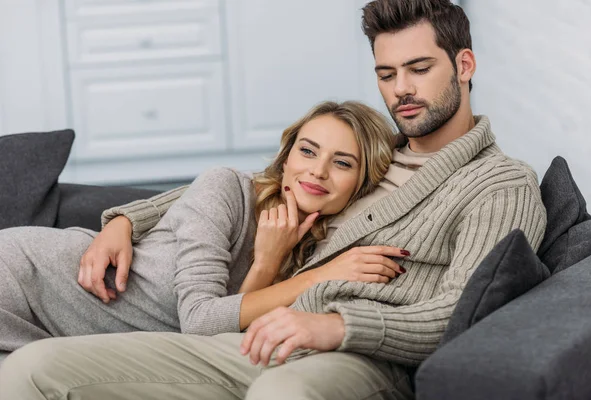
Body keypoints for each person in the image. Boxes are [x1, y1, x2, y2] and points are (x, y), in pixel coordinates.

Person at [0, 0, 548, 399]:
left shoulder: (500, 184)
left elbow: (462, 309)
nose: (401, 88)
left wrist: (335, 326)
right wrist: (124, 217)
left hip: (357, 352)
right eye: (386, 73)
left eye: (419, 69)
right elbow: (252, 184)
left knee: (282, 397)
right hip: (258, 336)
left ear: (465, 66)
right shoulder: (370, 163)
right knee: (31, 369)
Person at [0, 101, 398, 361]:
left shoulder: (321, 245)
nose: (317, 171)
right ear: (287, 155)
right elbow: (201, 322)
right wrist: (320, 276)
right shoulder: (226, 189)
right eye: (307, 151)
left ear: (364, 181)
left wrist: (267, 264)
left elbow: (218, 342)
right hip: (23, 278)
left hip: (60, 339)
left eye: (342, 163)